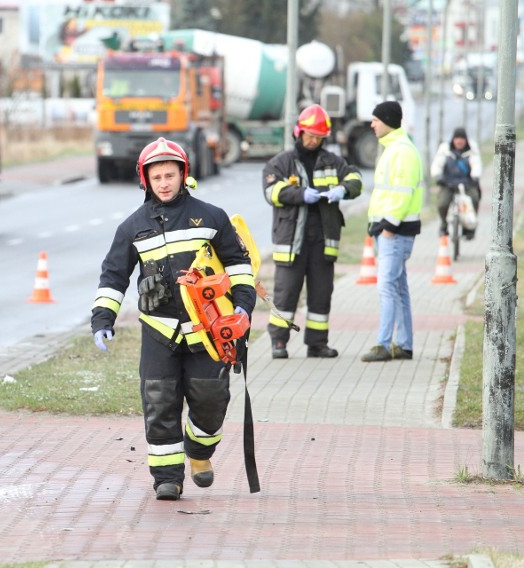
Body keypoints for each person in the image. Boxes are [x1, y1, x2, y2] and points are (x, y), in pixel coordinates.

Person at [90, 137, 256, 501]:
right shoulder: (132, 227)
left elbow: (239, 265)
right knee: (160, 403)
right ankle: (167, 477)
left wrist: (243, 304)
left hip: (207, 331)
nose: (164, 182)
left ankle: (199, 451)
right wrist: (103, 318)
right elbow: (113, 276)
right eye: (157, 177)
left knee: (211, 399)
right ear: (145, 180)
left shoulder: (211, 217)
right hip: (159, 332)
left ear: (184, 175)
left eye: (170, 175)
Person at [261, 104, 363, 359]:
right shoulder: (281, 163)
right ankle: (279, 342)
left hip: (322, 240)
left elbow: (356, 179)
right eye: (310, 135)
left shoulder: (332, 161)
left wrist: (343, 189)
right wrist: (299, 194)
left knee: (321, 294)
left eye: (319, 137)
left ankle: (317, 344)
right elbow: (271, 192)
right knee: (286, 294)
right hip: (291, 242)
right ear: (299, 132)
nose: (314, 141)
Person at [361, 101, 423, 363]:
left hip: (394, 232)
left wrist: (388, 227)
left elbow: (403, 193)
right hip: (390, 230)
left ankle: (384, 344)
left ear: (387, 120)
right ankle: (405, 345)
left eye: (375, 120)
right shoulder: (395, 148)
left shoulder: (401, 151)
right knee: (398, 288)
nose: (372, 124)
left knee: (387, 287)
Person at [430, 127, 481, 240]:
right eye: (457, 138)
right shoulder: (445, 150)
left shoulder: (471, 150)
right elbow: (437, 164)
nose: (459, 141)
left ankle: (469, 228)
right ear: (453, 139)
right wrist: (438, 176)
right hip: (448, 182)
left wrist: (475, 177)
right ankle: (444, 225)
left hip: (467, 183)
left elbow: (476, 164)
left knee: (474, 199)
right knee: (442, 203)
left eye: (462, 139)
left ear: (466, 140)